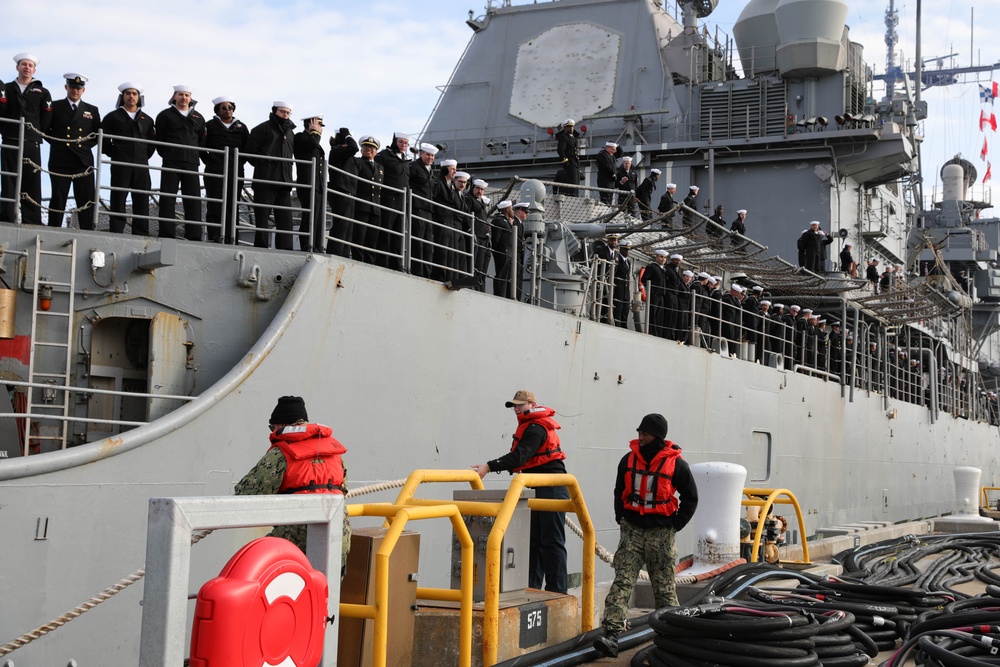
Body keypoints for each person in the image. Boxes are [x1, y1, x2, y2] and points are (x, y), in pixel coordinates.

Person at [592, 413, 698, 658]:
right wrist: (622, 519)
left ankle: (672, 637)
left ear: (658, 437)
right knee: (622, 581)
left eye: (645, 434)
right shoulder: (628, 460)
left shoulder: (677, 465)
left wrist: (675, 525)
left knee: (664, 588)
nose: (640, 438)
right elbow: (619, 491)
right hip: (632, 531)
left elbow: (691, 498)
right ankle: (611, 635)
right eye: (639, 433)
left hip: (662, 534)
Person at [234, 396, 351, 575]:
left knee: (252, 566)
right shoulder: (335, 454)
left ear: (280, 425)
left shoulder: (282, 453)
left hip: (299, 535)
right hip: (338, 533)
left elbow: (245, 493)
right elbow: (344, 489)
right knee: (326, 593)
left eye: (272, 427)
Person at [471, 390, 569, 593]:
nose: (516, 409)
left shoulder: (536, 428)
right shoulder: (531, 426)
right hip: (538, 487)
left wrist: (488, 466)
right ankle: (531, 589)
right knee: (534, 542)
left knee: (552, 543)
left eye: (520, 405)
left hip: (552, 488)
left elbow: (519, 457)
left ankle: (557, 592)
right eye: (514, 406)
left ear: (532, 404)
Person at [1, 53, 52, 225]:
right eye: (24, 64)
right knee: (8, 179)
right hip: (10, 139)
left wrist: (35, 133)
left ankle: (32, 220)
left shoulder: (42, 92)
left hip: (31, 142)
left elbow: (45, 119)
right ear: (17, 67)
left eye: (30, 65)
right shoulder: (7, 88)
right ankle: (6, 217)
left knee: (31, 181)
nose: (27, 67)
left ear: (34, 70)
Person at [45, 74, 101, 229]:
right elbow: (45, 129)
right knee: (58, 196)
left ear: (83, 90)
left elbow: (97, 135)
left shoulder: (92, 110)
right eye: (72, 87)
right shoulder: (55, 107)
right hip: (60, 158)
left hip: (83, 161)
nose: (75, 91)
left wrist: (82, 145)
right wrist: (60, 143)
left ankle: (87, 230)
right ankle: (54, 227)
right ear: (66, 87)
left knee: (85, 197)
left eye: (78, 88)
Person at [101, 82, 155, 235]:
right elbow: (104, 141)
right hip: (120, 164)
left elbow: (152, 143)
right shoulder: (112, 117)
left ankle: (141, 232)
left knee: (142, 199)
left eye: (134, 94)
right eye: (128, 93)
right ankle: (117, 230)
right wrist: (116, 153)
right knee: (118, 198)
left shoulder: (147, 119)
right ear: (123, 96)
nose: (131, 96)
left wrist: (143, 155)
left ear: (139, 97)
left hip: (141, 165)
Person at [155, 85, 207, 240]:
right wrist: (167, 154)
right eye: (180, 95)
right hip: (171, 160)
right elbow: (160, 139)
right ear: (174, 96)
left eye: (186, 95)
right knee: (168, 197)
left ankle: (194, 234)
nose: (184, 98)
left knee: (193, 199)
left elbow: (202, 141)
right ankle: (166, 233)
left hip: (191, 162)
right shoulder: (165, 116)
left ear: (190, 98)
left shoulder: (198, 117)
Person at [245, 101, 296, 249]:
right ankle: (260, 247)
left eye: (288, 113)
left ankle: (286, 249)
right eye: (282, 112)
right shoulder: (262, 129)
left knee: (285, 220)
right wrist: (263, 166)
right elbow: (249, 152)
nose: (285, 115)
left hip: (284, 183)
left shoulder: (290, 133)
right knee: (262, 218)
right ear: (275, 111)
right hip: (265, 181)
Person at [202, 96, 249, 244]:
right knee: (215, 204)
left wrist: (238, 163)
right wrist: (211, 161)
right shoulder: (209, 126)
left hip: (235, 172)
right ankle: (215, 235)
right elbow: (202, 147)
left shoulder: (241, 127)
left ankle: (231, 237)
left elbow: (247, 149)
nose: (228, 110)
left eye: (230, 108)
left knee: (232, 205)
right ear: (218, 110)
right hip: (214, 170)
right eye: (224, 108)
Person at [374, 132, 410, 270]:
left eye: (406, 143)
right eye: (401, 142)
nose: (403, 145)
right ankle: (383, 262)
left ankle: (397, 264)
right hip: (388, 199)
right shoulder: (383, 156)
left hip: (402, 202)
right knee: (386, 232)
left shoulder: (405, 160)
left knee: (399, 235)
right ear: (395, 141)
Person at [293, 112, 326, 252]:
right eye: (319, 125)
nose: (321, 129)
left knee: (318, 218)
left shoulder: (313, 140)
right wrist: (314, 133)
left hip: (317, 184)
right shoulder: (300, 137)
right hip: (307, 182)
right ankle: (307, 245)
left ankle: (317, 245)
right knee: (309, 215)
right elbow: (312, 143)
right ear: (311, 124)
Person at [326, 127, 358, 257]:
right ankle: (336, 253)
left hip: (349, 192)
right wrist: (346, 134)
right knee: (341, 226)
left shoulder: (346, 154)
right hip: (340, 191)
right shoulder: (337, 151)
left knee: (349, 228)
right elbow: (354, 147)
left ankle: (344, 255)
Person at [408, 142, 439, 276]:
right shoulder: (414, 167)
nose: (430, 158)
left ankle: (426, 272)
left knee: (428, 245)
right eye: (428, 155)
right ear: (421, 154)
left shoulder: (431, 171)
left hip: (428, 211)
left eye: (432, 156)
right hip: (418, 208)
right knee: (418, 243)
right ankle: (417, 272)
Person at [354, 136, 385, 264]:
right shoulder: (357, 163)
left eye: (372, 148)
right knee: (359, 238)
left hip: (375, 209)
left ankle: (369, 264)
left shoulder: (380, 168)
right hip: (361, 207)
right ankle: (358, 262)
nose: (369, 150)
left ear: (376, 151)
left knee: (372, 240)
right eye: (366, 147)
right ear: (361, 149)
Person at [467, 178, 492, 290]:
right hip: (475, 236)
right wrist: (471, 231)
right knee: (473, 264)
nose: (480, 191)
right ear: (473, 188)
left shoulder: (479, 202)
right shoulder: (469, 199)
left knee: (480, 265)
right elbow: (467, 216)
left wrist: (487, 234)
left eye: (482, 189)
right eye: (478, 188)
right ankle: (471, 286)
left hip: (482, 238)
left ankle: (478, 287)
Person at [491, 200, 517, 298]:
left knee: (507, 275)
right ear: (506, 209)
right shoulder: (499, 221)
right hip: (502, 251)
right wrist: (496, 250)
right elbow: (496, 238)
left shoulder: (506, 221)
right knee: (501, 274)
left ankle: (506, 294)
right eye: (511, 208)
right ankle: (499, 295)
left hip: (508, 252)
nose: (513, 210)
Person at [613, 239, 634, 328]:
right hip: (618, 288)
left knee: (625, 309)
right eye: (625, 249)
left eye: (628, 249)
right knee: (618, 308)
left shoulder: (628, 262)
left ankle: (623, 326)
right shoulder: (617, 259)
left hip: (626, 290)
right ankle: (617, 325)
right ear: (621, 249)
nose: (627, 251)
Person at [555, 119, 580, 188]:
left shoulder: (573, 138)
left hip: (575, 162)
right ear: (565, 128)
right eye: (568, 127)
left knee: (577, 182)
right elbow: (560, 150)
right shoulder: (564, 137)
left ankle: (575, 196)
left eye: (572, 127)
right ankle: (572, 196)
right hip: (570, 162)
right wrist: (565, 160)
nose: (571, 128)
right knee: (573, 181)